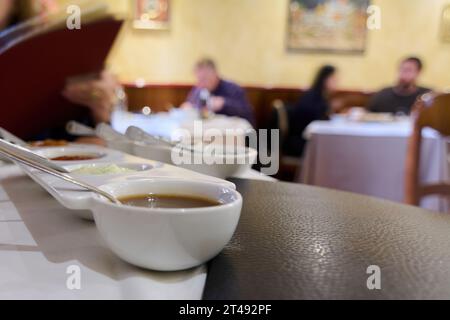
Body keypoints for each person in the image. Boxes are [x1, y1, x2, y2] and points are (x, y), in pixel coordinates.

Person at [284, 65, 338, 157]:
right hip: (301, 142)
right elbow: (315, 120)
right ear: (325, 79)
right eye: (334, 79)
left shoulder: (319, 95)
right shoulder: (312, 98)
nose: (337, 82)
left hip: (307, 140)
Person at [181, 58, 255, 126]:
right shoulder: (199, 90)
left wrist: (224, 103)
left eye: (205, 79)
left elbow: (247, 112)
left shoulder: (232, 89)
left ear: (215, 74)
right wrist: (188, 107)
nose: (201, 84)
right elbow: (190, 105)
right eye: (199, 80)